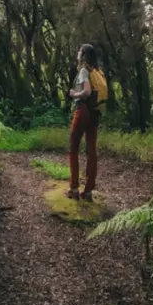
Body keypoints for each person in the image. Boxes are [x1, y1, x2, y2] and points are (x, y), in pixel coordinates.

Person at [67, 43, 109, 201]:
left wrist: (74, 94)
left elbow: (87, 91)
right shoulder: (99, 72)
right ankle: (89, 191)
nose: (77, 53)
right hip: (95, 113)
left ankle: (74, 188)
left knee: (73, 148)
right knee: (91, 151)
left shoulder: (84, 70)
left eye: (79, 51)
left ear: (83, 54)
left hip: (83, 110)